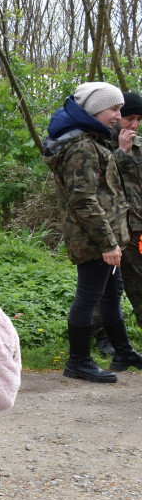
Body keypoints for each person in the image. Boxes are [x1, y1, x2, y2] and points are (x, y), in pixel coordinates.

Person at [44, 82, 142, 383]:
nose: (118, 116)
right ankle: (79, 361)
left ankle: (123, 351)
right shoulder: (82, 147)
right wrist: (108, 243)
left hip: (107, 235)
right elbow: (83, 200)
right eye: (114, 109)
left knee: (111, 296)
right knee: (88, 297)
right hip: (94, 239)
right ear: (96, 109)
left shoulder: (93, 140)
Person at [113, 92, 142, 337]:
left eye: (139, 119)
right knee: (107, 286)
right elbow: (99, 182)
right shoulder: (100, 145)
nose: (134, 125)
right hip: (112, 229)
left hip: (138, 228)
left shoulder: (140, 147)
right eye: (129, 118)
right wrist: (122, 151)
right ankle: (103, 336)